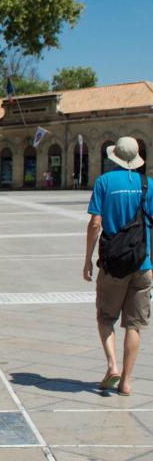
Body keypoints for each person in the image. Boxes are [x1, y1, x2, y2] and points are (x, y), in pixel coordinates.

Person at [83, 136, 152, 397]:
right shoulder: (149, 185)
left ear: (115, 157)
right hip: (142, 263)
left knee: (105, 317)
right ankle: (126, 381)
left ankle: (111, 364)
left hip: (112, 265)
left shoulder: (104, 182)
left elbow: (95, 224)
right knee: (134, 325)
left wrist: (87, 259)